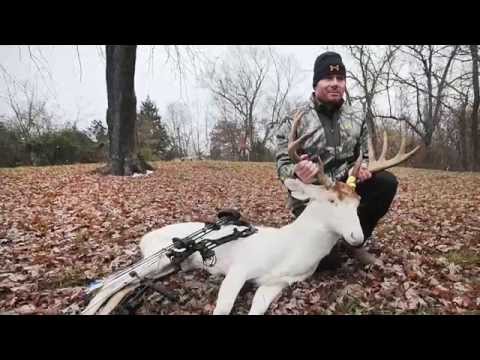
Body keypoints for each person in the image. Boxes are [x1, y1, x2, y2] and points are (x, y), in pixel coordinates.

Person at [275, 51, 398, 268]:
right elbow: (282, 165)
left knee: (386, 183)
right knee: (328, 264)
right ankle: (328, 245)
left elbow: (363, 156)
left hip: (345, 188)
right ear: (315, 84)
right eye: (328, 79)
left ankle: (355, 242)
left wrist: (361, 169)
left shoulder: (356, 117)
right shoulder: (295, 118)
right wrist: (297, 172)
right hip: (313, 195)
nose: (335, 84)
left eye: (340, 79)